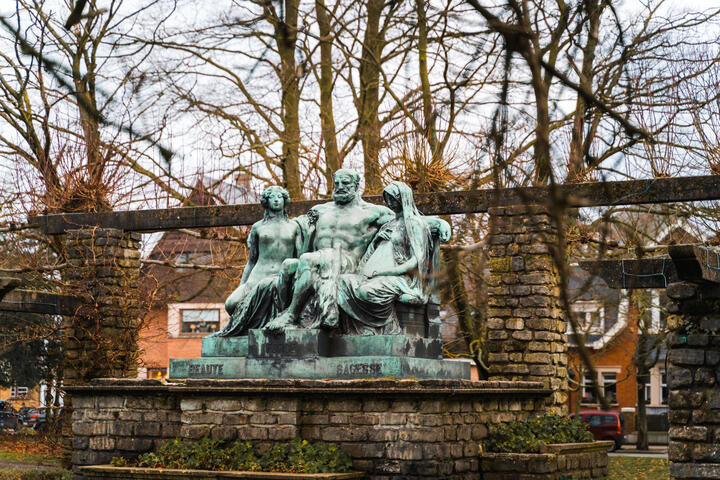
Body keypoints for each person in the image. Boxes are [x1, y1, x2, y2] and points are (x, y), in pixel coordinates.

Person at [264, 169, 393, 331]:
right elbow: (293, 226)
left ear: (357, 185)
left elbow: (405, 222)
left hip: (348, 261)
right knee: (289, 265)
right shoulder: (320, 210)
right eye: (337, 183)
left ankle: (291, 315)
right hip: (318, 258)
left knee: (308, 260)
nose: (340, 187)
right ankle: (281, 313)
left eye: (345, 183)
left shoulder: (374, 212)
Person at [337, 181, 433, 334]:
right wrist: (376, 240)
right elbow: (369, 256)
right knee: (342, 282)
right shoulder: (388, 224)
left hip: (401, 276)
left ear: (404, 199)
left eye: (393, 199)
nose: (390, 203)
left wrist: (388, 272)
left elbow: (417, 260)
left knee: (366, 292)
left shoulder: (415, 224)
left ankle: (386, 326)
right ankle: (359, 331)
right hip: (375, 273)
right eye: (387, 199)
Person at [212, 186, 302, 336]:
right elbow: (252, 260)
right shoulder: (258, 227)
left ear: (285, 201)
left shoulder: (294, 227)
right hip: (257, 276)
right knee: (231, 304)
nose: (276, 199)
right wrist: (242, 284)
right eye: (272, 197)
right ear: (266, 201)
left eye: (279, 196)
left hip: (282, 278)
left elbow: (299, 257)